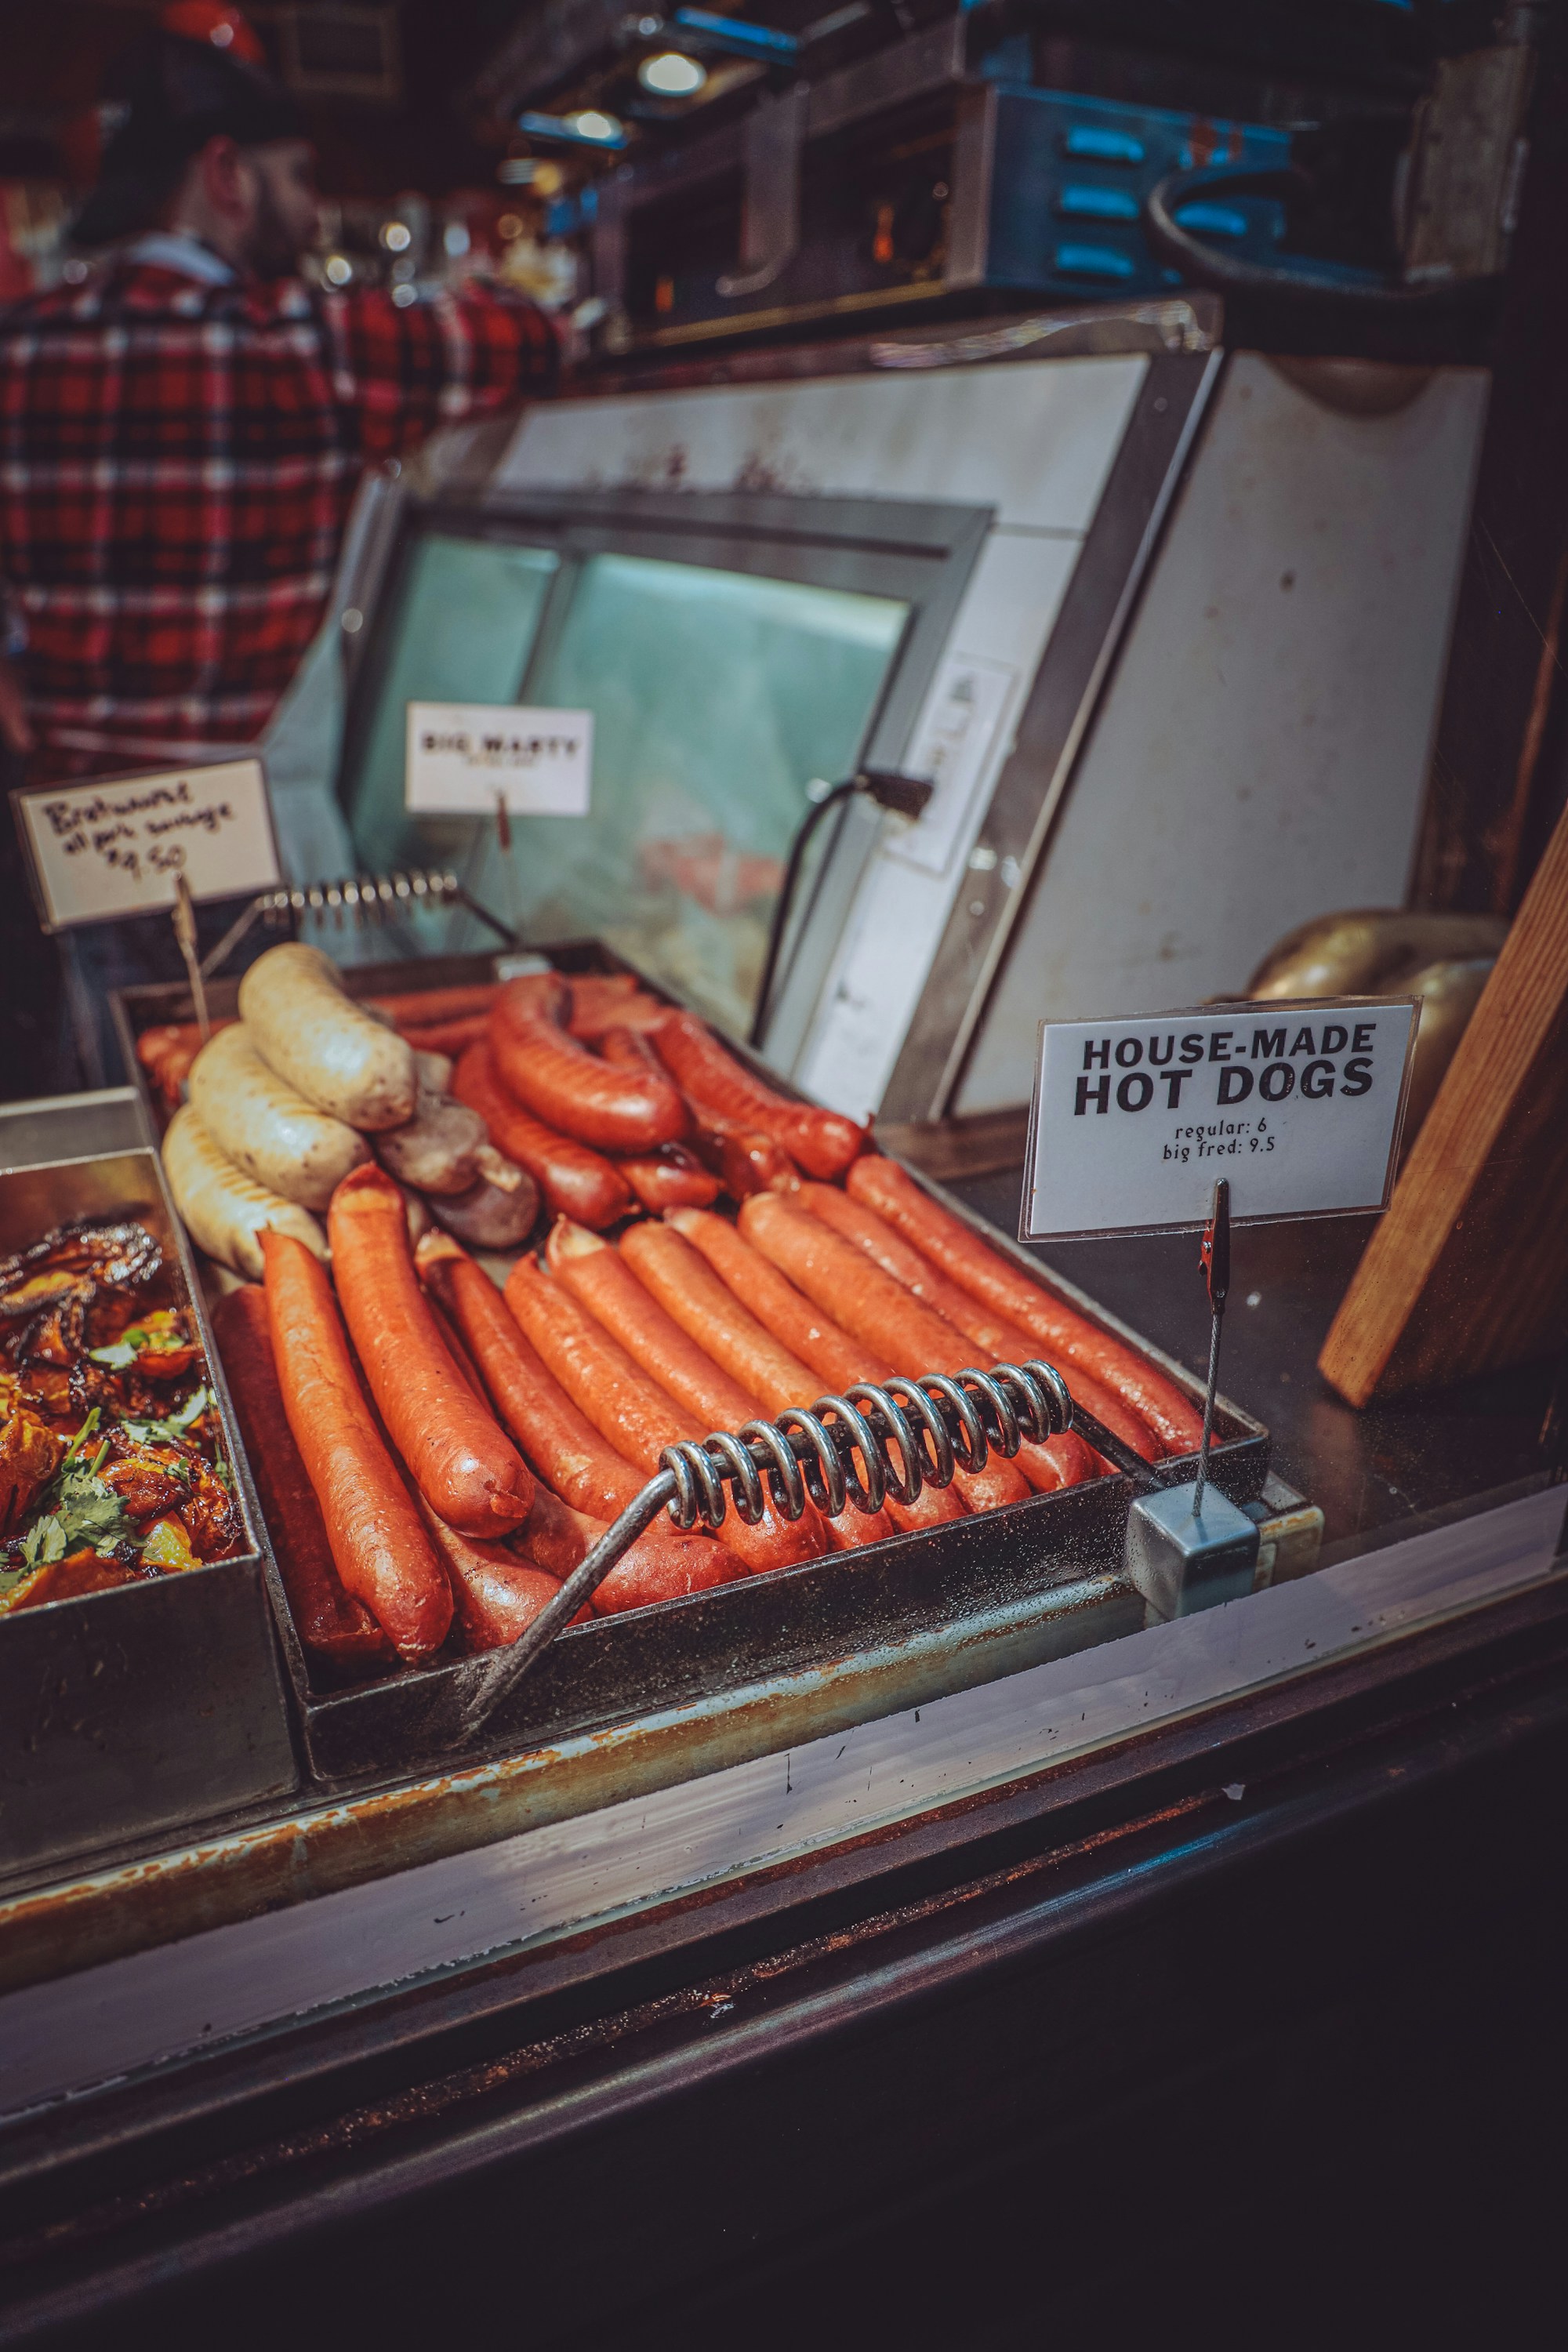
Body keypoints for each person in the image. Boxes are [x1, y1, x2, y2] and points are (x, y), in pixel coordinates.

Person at [0, 9, 561, 1084]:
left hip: (82, 840)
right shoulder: (313, 344)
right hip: (240, 844)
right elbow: (540, 336)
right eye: (299, 180)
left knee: (130, 1097)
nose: (310, 213)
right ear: (227, 174)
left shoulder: (18, 351)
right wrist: (499, 268)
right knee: (274, 1108)